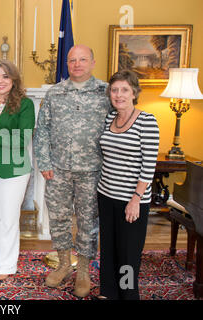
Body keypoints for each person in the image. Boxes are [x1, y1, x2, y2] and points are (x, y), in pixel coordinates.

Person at [33, 44, 111, 298]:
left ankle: (84, 270)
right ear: (67, 64)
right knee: (58, 218)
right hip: (58, 170)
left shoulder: (106, 92)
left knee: (89, 221)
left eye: (82, 59)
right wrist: (44, 161)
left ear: (92, 62)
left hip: (93, 170)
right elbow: (42, 129)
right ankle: (65, 263)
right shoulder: (55, 93)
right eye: (72, 60)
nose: (77, 64)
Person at [95, 70, 159, 300]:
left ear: (134, 93)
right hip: (106, 194)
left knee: (128, 255)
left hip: (131, 200)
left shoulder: (147, 121)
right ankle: (108, 293)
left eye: (124, 90)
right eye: (114, 90)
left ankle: (128, 295)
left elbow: (149, 165)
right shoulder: (109, 119)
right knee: (109, 250)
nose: (118, 95)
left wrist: (136, 200)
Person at [0, 60, 35, 280]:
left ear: (14, 79)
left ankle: (7, 264)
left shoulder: (25, 104)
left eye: (5, 76)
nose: (1, 81)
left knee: (8, 218)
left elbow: (24, 138)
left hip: (15, 169)